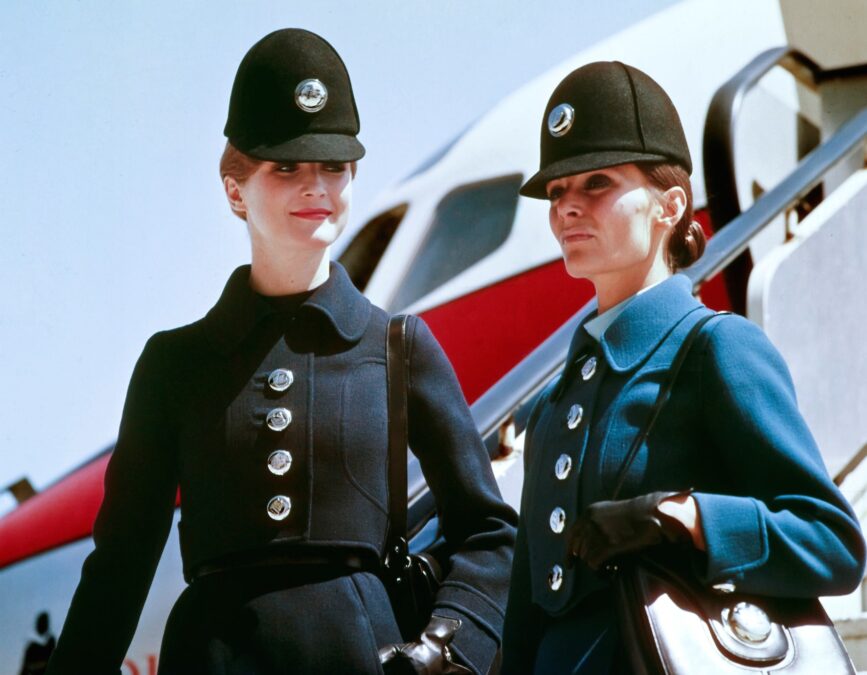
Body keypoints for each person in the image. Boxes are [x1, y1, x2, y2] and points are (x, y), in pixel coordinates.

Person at [46, 28, 516, 675]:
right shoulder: (174, 365)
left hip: (365, 659)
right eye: (287, 167)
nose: (316, 186)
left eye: (334, 166)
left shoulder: (398, 348)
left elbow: (489, 532)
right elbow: (119, 565)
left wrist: (447, 649)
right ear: (234, 188)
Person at [500, 60, 866, 674]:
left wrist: (687, 517)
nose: (567, 208)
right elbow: (525, 618)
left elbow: (832, 543)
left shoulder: (716, 350)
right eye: (557, 192)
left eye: (596, 183)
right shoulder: (552, 407)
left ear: (669, 205)